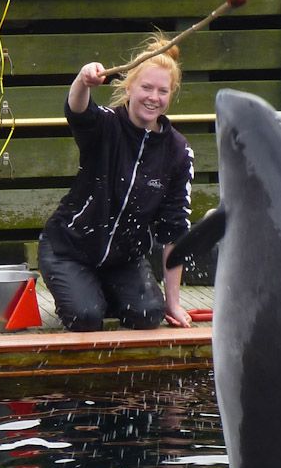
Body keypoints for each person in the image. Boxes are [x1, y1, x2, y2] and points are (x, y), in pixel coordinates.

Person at [38, 32, 193, 331]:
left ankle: (104, 292)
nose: (153, 97)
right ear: (130, 87)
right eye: (146, 87)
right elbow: (78, 110)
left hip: (123, 259)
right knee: (85, 317)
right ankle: (85, 293)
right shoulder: (106, 126)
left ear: (171, 94)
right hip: (69, 249)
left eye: (162, 91)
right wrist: (83, 81)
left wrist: (173, 302)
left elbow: (175, 232)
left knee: (148, 315)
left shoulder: (178, 152)